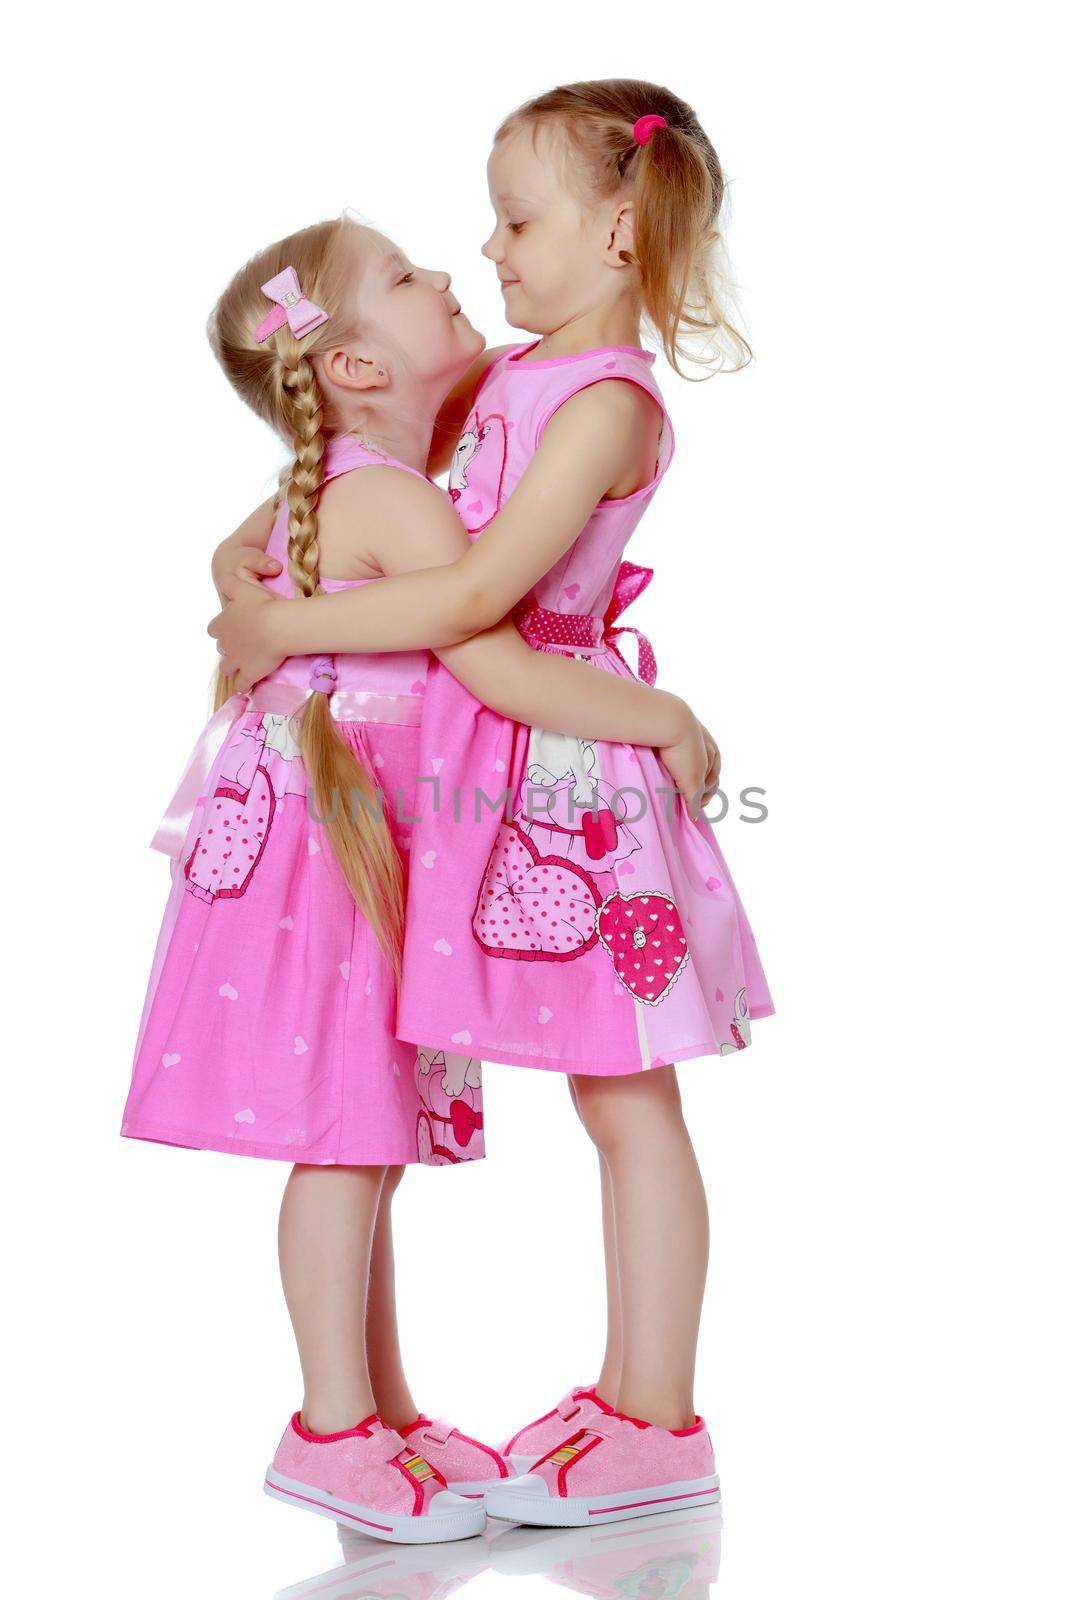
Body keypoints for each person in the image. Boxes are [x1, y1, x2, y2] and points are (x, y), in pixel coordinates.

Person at [209, 78, 772, 1528]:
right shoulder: (522, 379)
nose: (493, 249)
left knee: (628, 1094)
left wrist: (664, 715)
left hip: (574, 773)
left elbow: (474, 610)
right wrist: (252, 576)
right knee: (600, 1094)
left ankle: (659, 1412)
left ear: (622, 229)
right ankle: (610, 1401)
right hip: (507, 785)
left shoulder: (603, 401)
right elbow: (318, 505)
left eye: (520, 220)